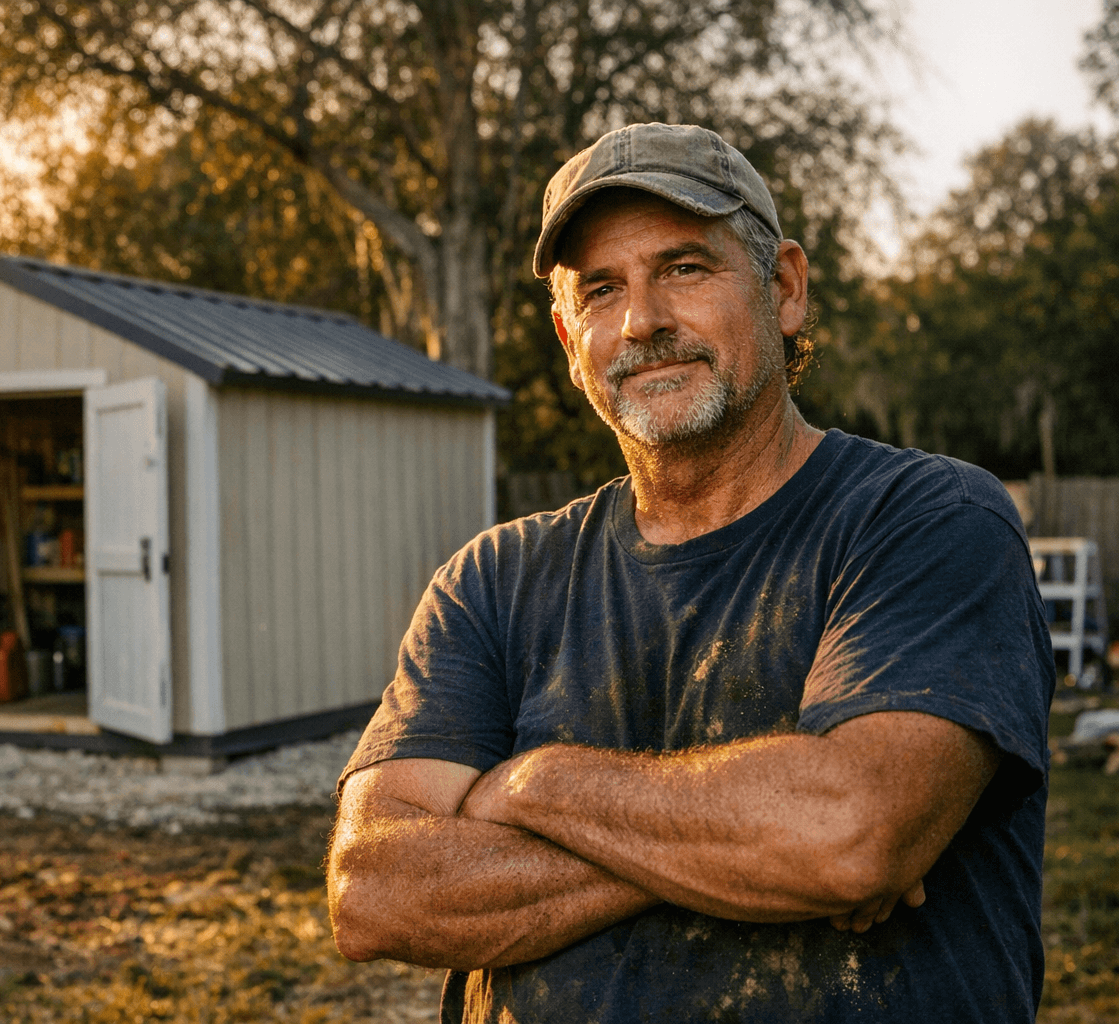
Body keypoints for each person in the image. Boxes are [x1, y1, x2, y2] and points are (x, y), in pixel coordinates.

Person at [326, 122, 1054, 1022]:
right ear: (567, 334)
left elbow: (851, 832)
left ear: (783, 289)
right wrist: (759, 845)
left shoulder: (927, 521)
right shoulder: (493, 580)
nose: (644, 322)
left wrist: (529, 786)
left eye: (685, 268)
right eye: (602, 289)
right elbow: (375, 888)